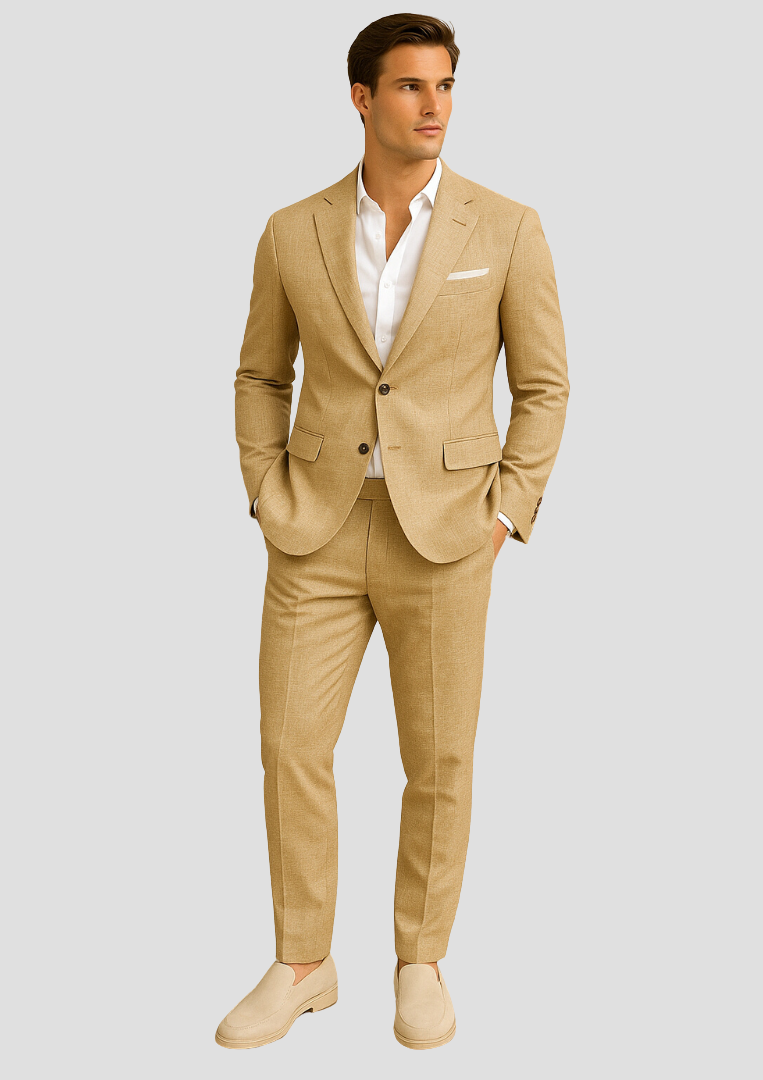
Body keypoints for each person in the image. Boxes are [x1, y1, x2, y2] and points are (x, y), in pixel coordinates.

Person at [215, 12, 569, 1050]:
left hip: (449, 532)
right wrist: (264, 490)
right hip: (316, 528)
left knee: (440, 757)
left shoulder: (507, 228)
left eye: (446, 86)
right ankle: (303, 963)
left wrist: (506, 512)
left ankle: (420, 960)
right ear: (362, 98)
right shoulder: (293, 229)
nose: (434, 107)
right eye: (412, 87)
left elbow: (544, 385)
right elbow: (260, 374)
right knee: (291, 746)